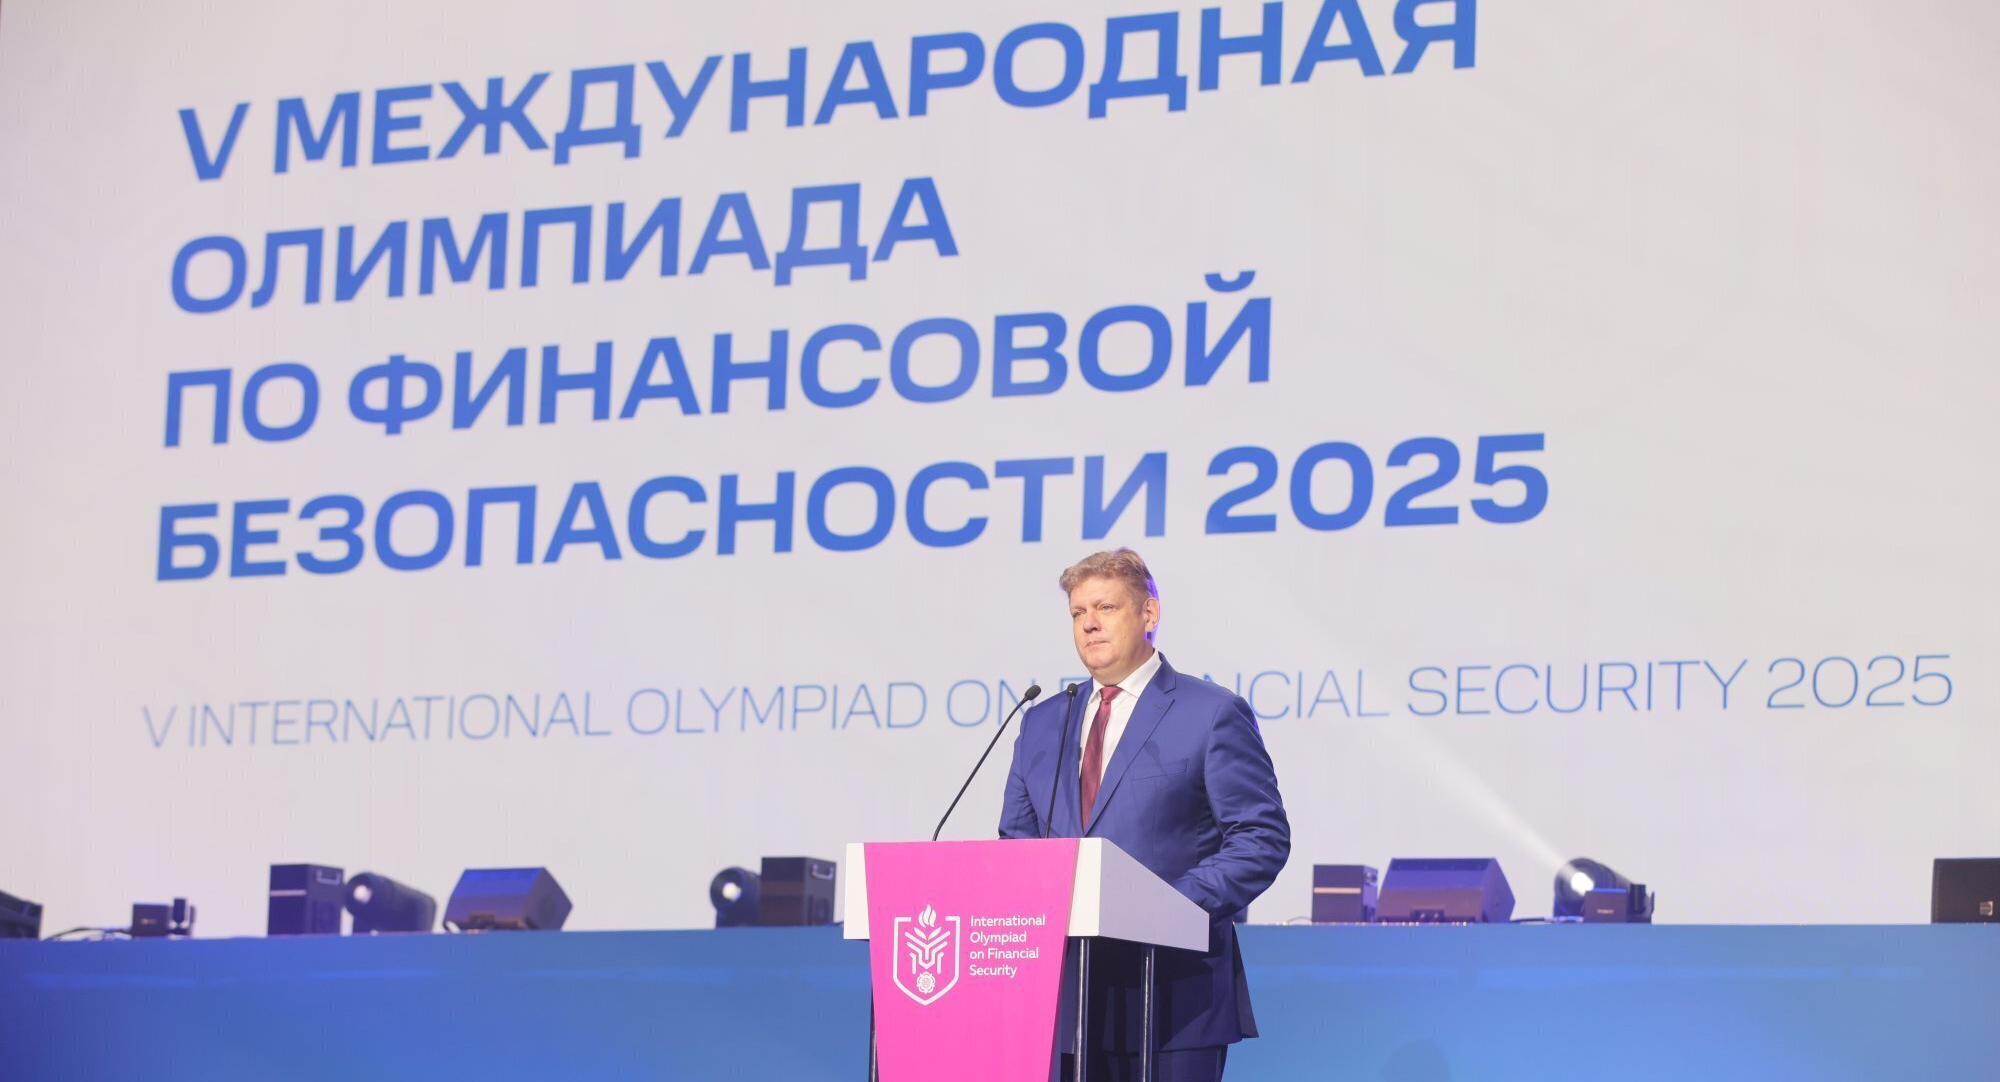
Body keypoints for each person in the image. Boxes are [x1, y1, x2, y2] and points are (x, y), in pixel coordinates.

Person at [999, 548, 1290, 1082]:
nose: (1089, 624)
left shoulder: (1210, 712)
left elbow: (1259, 838)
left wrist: (1165, 907)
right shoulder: (1041, 722)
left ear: (1149, 614)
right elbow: (1017, 846)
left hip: (1174, 999)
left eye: (1105, 608)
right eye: (1078, 612)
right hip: (1062, 1004)